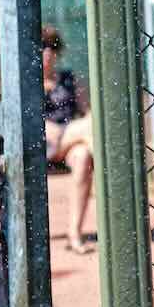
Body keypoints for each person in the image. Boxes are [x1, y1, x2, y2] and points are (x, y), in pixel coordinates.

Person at [40, 25, 95, 254]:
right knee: (89, 130)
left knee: (83, 157)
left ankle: (74, 234)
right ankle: (111, 178)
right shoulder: (25, 84)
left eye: (51, 47)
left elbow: (87, 112)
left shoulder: (68, 79)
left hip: (69, 141)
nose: (47, 53)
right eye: (42, 47)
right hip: (41, 146)